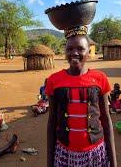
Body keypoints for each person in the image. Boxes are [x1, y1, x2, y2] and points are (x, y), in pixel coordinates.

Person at [46, 34, 116, 166]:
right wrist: (50, 162)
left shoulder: (100, 78)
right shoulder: (53, 80)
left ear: (88, 52)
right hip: (64, 152)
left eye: (80, 48)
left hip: (95, 152)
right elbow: (52, 121)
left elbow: (106, 119)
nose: (74, 53)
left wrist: (114, 162)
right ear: (65, 51)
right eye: (69, 49)